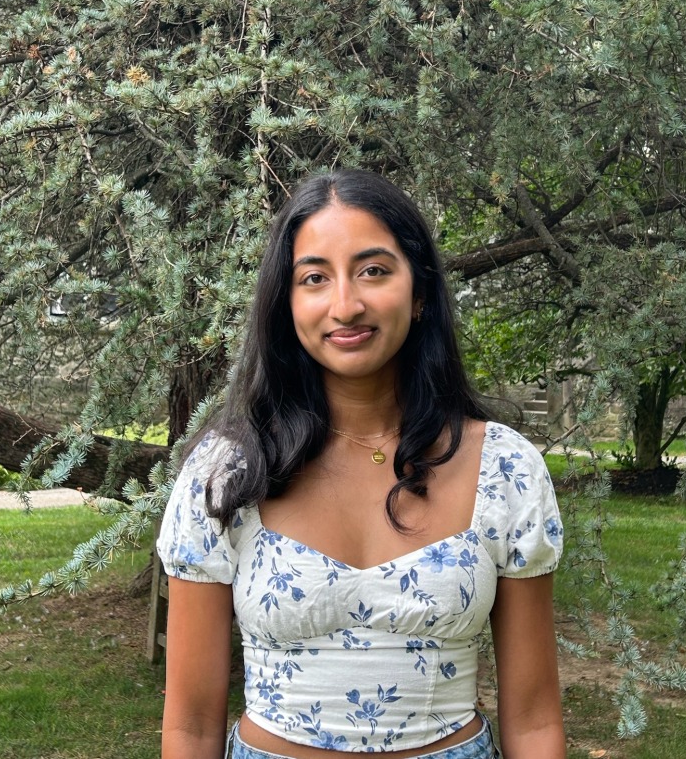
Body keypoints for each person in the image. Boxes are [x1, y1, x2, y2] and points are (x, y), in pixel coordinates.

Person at [157, 170, 566, 759]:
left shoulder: (505, 470)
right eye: (315, 278)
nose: (345, 305)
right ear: (287, 303)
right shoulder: (227, 474)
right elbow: (191, 725)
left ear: (419, 291)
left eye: (374, 270)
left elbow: (533, 720)